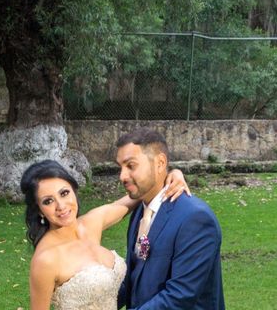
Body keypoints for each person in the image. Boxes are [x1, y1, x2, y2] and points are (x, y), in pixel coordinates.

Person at [20, 159, 190, 310]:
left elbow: (139, 194)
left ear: (74, 190)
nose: (61, 206)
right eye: (48, 201)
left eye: (64, 193)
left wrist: (172, 175)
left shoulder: (92, 222)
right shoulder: (46, 259)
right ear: (39, 210)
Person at [116, 127, 225, 309]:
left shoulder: (195, 218)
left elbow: (180, 296)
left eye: (131, 166)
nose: (122, 176)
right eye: (119, 167)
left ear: (160, 163)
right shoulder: (138, 211)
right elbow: (134, 277)